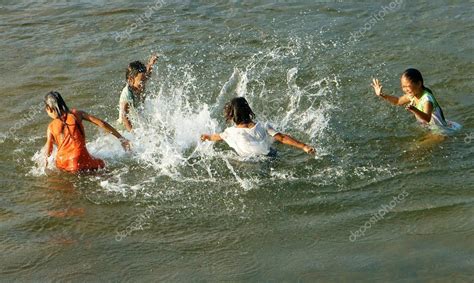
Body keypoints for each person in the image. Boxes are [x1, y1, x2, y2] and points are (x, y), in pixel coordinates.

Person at [44, 91, 130, 172]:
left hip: (62, 163)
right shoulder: (76, 114)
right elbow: (101, 123)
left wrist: (45, 165)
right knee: (103, 165)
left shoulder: (50, 127)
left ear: (49, 108)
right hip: (80, 159)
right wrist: (121, 138)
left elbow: (48, 151)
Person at [200, 97, 315, 157]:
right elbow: (283, 138)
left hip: (249, 161)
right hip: (271, 156)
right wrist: (304, 146)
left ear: (231, 116)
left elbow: (216, 137)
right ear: (249, 111)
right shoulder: (264, 125)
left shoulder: (229, 132)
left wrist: (207, 137)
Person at [371, 68, 448, 129]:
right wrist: (381, 95)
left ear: (419, 84)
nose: (405, 90)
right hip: (430, 128)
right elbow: (397, 101)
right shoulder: (413, 95)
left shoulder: (427, 100)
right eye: (403, 87)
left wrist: (414, 109)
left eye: (407, 86)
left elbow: (427, 118)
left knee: (414, 148)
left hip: (439, 131)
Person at [118, 54, 158, 131]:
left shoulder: (139, 81)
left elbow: (147, 72)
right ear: (130, 80)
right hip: (123, 126)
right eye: (141, 81)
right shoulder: (127, 94)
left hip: (137, 116)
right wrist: (133, 134)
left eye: (144, 79)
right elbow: (124, 116)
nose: (144, 83)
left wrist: (151, 63)